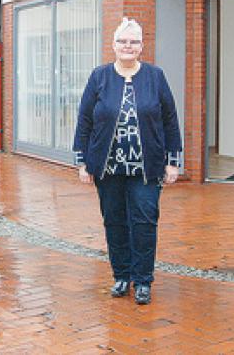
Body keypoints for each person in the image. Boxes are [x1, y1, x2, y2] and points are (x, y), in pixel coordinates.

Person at [72, 17, 181, 305]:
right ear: (113, 45)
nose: (127, 46)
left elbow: (170, 119)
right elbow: (84, 120)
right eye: (122, 41)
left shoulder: (155, 76)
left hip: (147, 167)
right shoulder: (99, 77)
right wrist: (82, 161)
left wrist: (173, 161)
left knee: (144, 222)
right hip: (108, 168)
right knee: (114, 222)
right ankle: (121, 275)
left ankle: (143, 280)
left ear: (142, 46)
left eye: (133, 42)